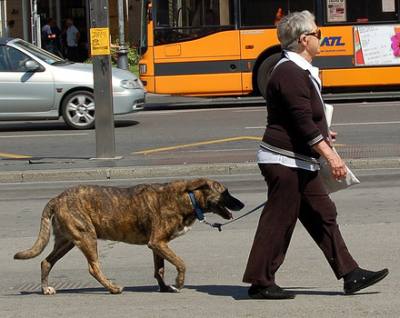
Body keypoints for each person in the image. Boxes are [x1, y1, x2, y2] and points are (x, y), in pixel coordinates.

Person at [242, 10, 388, 300]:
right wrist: (332, 157)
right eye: (318, 34)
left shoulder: (298, 71)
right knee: (279, 220)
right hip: (284, 161)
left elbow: (306, 119)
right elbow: (302, 121)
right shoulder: (288, 72)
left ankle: (350, 274)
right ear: (304, 39)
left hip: (299, 159)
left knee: (324, 215)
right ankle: (260, 282)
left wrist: (324, 133)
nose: (322, 38)